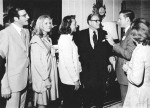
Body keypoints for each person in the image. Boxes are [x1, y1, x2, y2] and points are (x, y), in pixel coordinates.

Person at [77, 13, 112, 108]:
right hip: (87, 70)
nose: (98, 22)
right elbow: (77, 51)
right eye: (96, 20)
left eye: (99, 20)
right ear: (89, 22)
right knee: (87, 97)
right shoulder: (80, 34)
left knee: (99, 97)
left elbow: (107, 50)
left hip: (100, 70)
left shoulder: (104, 33)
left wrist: (108, 62)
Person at [0, 7, 30, 108]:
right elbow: (2, 62)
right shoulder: (5, 33)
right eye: (24, 15)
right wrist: (4, 86)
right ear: (16, 18)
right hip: (12, 83)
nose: (28, 17)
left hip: (24, 81)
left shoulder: (26, 32)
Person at [106, 9, 136, 105]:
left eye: (120, 19)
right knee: (125, 100)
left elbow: (128, 54)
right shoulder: (126, 32)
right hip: (122, 74)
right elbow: (124, 48)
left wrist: (113, 44)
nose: (118, 21)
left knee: (126, 101)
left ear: (127, 19)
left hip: (126, 74)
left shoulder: (131, 34)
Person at [30, 15, 59, 108]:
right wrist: (46, 79)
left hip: (49, 74)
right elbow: (37, 62)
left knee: (47, 103)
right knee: (42, 104)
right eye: (46, 23)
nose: (49, 25)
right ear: (40, 25)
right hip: (42, 77)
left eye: (50, 23)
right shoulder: (36, 40)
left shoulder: (48, 39)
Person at [122, 18, 150, 108]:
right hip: (146, 90)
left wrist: (127, 69)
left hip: (137, 93)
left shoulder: (139, 51)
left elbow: (137, 81)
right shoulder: (147, 47)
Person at [58, 15, 82, 108]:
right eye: (74, 24)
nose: (76, 25)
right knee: (71, 104)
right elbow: (69, 63)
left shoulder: (69, 38)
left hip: (71, 78)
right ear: (68, 25)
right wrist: (75, 80)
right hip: (69, 80)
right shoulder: (64, 40)